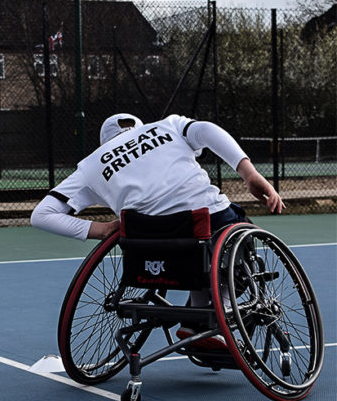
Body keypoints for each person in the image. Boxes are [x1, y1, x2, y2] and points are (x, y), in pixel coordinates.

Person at [31, 113, 285, 349]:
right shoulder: (167, 125)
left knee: (197, 250)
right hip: (207, 222)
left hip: (149, 244)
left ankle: (195, 322)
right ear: (140, 130)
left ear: (104, 143)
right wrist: (249, 173)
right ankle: (220, 315)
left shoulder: (91, 165)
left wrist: (102, 229)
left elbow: (41, 215)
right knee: (239, 236)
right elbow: (207, 130)